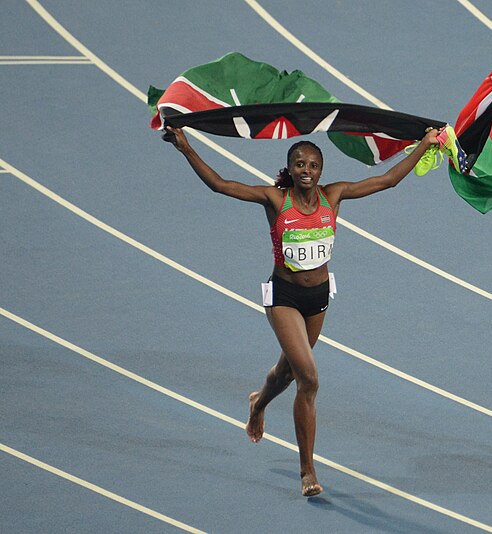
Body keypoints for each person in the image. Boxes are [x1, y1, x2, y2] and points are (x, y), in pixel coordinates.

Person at [164, 124, 442, 496]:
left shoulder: (335, 196)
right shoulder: (275, 200)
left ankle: (259, 402)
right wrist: (186, 148)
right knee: (309, 378)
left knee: (286, 373)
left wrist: (424, 144)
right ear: (290, 169)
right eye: (299, 164)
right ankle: (307, 471)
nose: (306, 170)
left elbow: (388, 180)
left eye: (312, 164)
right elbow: (221, 184)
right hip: (284, 298)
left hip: (318, 299)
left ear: (320, 171)